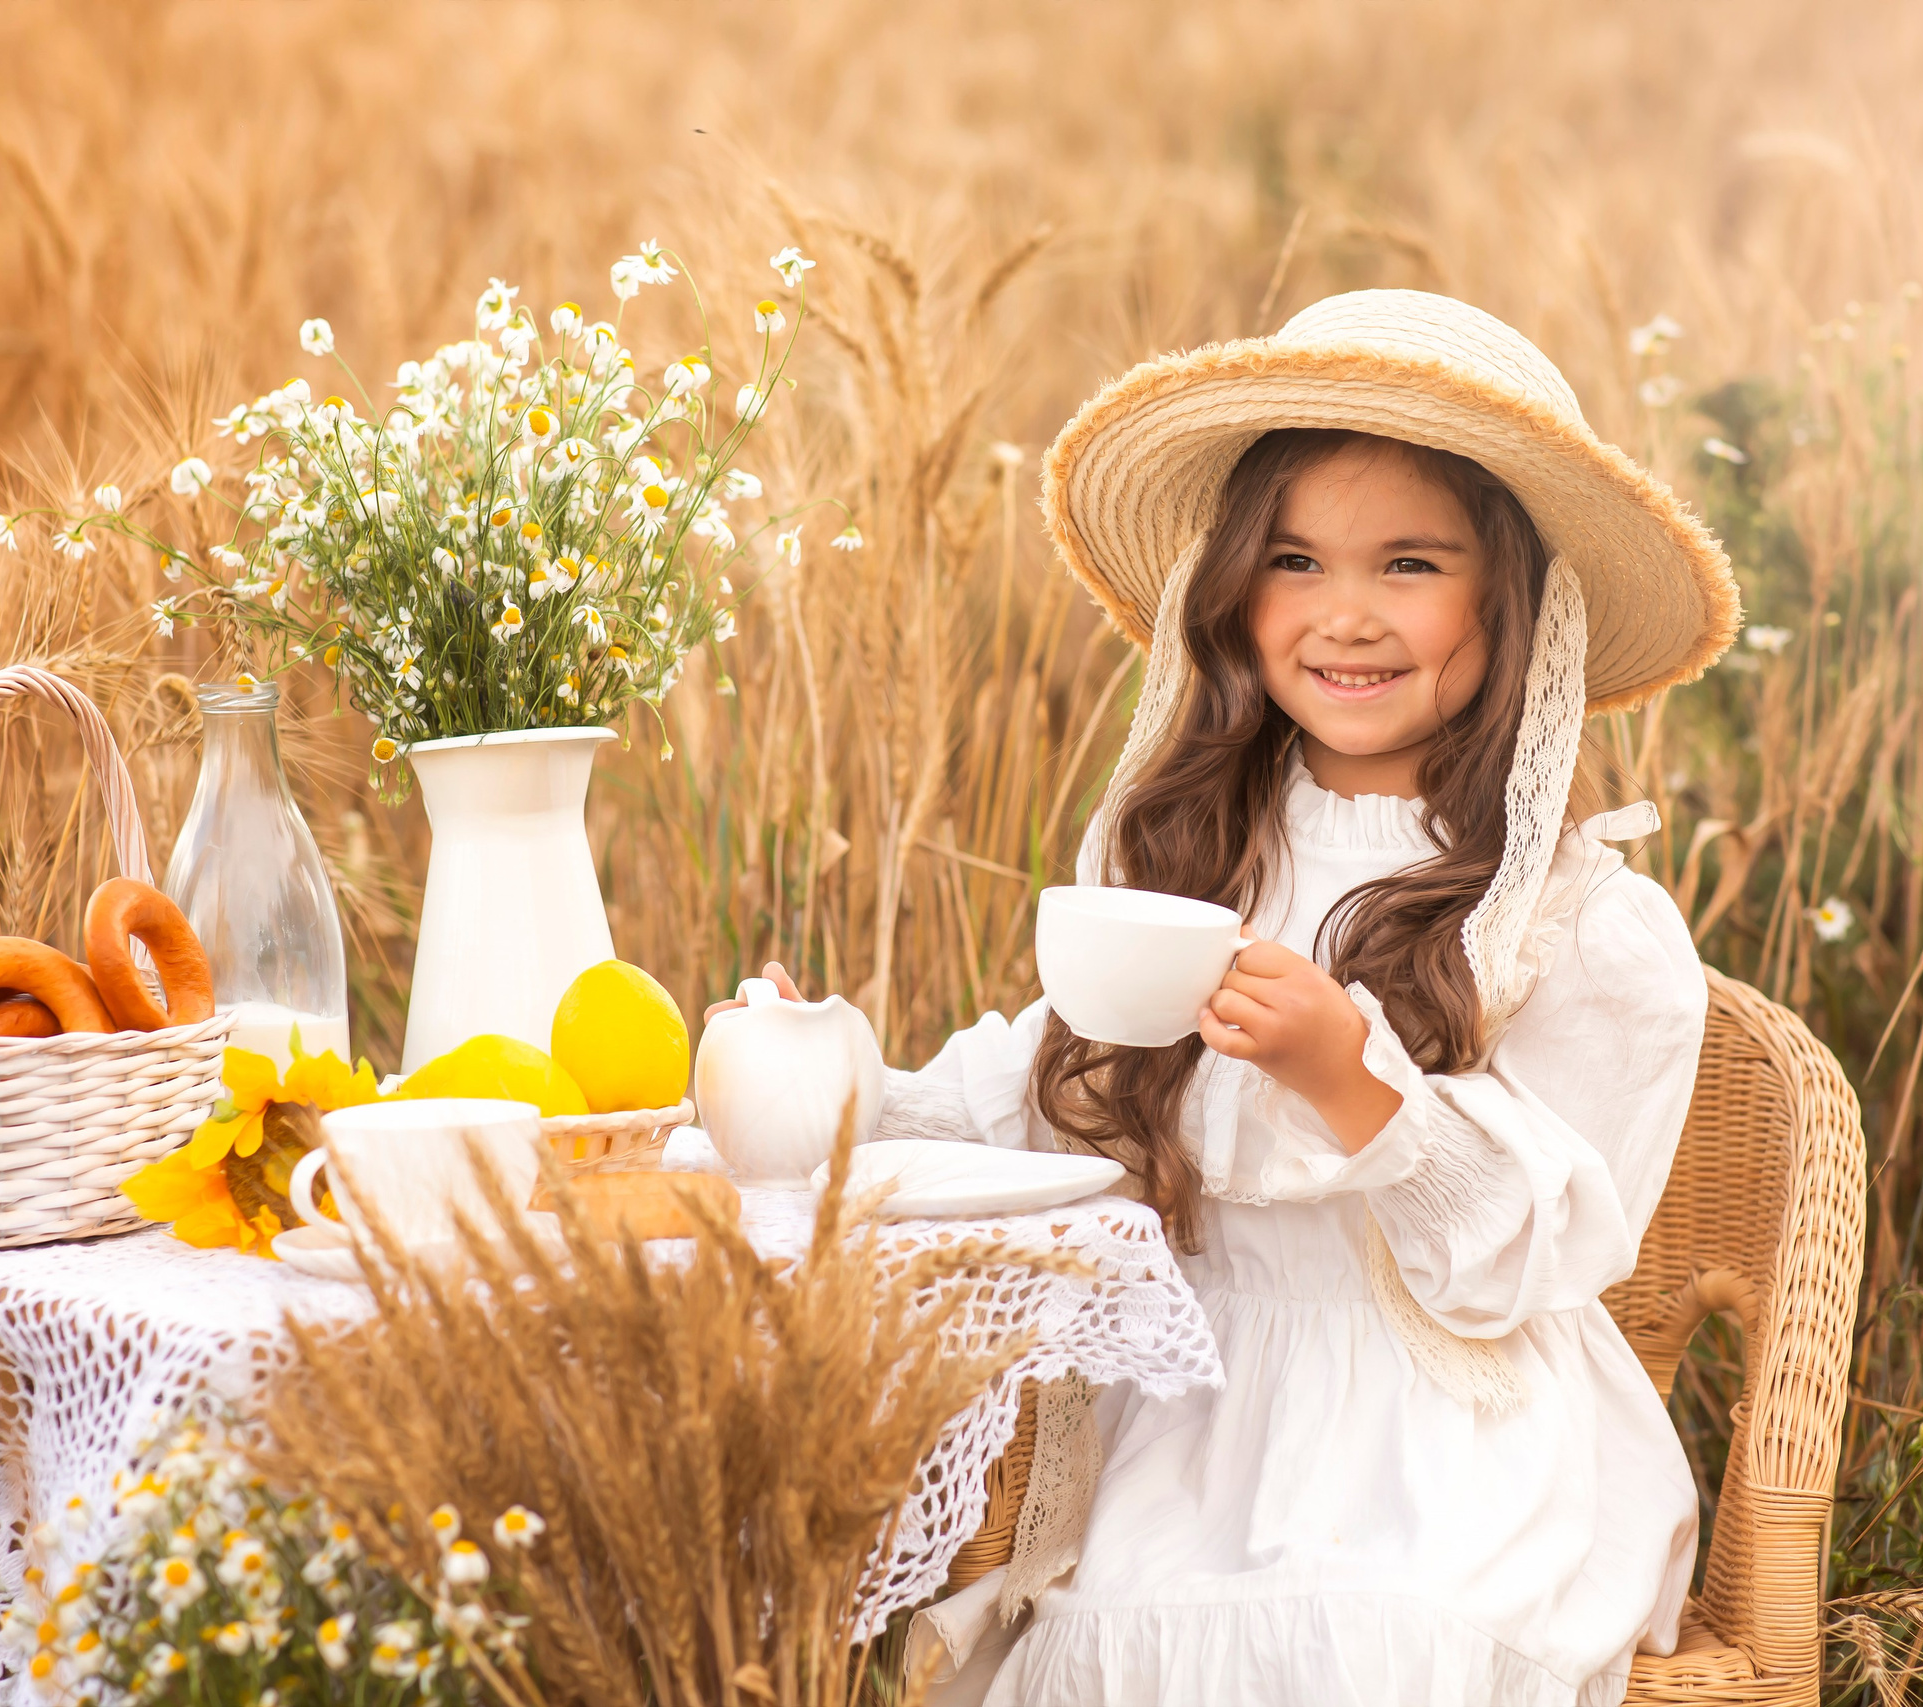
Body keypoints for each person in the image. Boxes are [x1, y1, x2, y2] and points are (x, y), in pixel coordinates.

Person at [715, 290, 1741, 1706]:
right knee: (1106, 1644)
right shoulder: (1201, 857)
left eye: (1412, 564)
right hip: (1195, 1410)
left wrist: (1352, 1080)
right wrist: (831, 1075)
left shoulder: (1579, 927)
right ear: (1233, 592)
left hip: (1447, 1435)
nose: (1346, 613)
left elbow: (1532, 1265)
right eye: (1297, 560)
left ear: (1513, 606)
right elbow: (1046, 1091)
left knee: (1373, 1637)